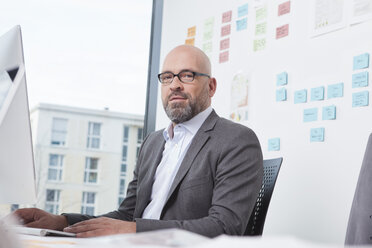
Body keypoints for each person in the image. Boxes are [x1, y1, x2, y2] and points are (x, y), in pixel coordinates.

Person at [13, 45, 263, 238]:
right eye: (167, 77)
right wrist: (64, 222)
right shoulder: (153, 143)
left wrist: (131, 231)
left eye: (187, 75)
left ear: (211, 86)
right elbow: (127, 215)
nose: (175, 85)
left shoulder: (236, 140)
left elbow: (224, 227)